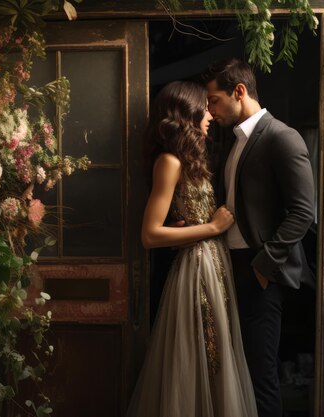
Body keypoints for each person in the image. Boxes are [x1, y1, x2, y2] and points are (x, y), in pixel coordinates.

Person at [126, 80, 258, 417]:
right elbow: (149, 235)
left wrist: (195, 231)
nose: (211, 115)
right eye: (205, 106)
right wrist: (210, 228)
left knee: (216, 356)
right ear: (187, 112)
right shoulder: (169, 161)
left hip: (214, 263)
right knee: (201, 356)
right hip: (196, 269)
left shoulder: (191, 157)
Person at [201, 58, 315, 417]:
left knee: (261, 374)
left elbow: (302, 213)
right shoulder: (234, 141)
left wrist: (263, 267)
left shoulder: (282, 137)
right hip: (230, 267)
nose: (210, 109)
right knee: (236, 371)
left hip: (260, 272)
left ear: (239, 92)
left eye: (214, 100)